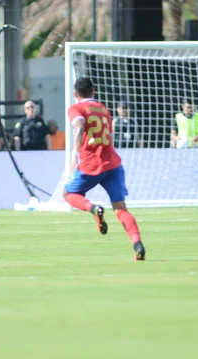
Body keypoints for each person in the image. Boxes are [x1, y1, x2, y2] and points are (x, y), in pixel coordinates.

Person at [63, 77, 145, 260]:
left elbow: (78, 126)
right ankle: (137, 244)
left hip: (90, 164)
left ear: (76, 94)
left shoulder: (75, 108)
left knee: (67, 194)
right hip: (113, 164)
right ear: (93, 91)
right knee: (121, 208)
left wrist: (73, 153)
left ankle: (94, 209)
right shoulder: (103, 109)